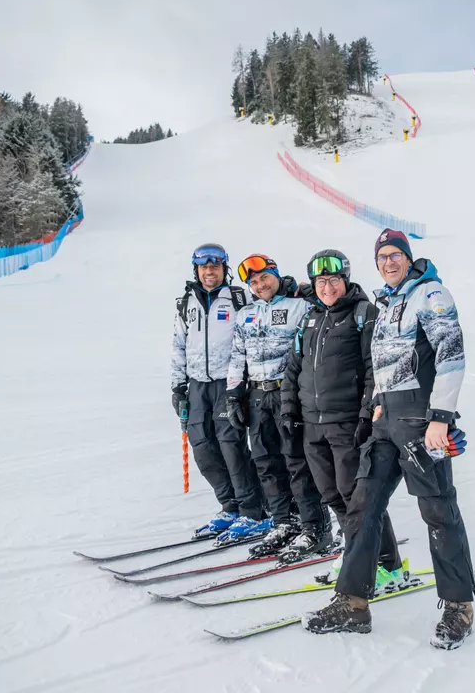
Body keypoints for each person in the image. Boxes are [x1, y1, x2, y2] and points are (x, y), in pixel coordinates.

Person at [302, 229, 475, 650]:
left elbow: (451, 355)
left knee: (438, 511)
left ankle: (458, 607)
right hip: (386, 422)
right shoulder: (387, 301)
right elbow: (385, 362)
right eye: (382, 257)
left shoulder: (430, 294)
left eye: (395, 255)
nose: (388, 262)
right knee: (362, 507)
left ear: (408, 257)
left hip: (420, 422)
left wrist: (441, 416)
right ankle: (353, 602)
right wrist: (379, 401)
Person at [281, 249, 406, 589]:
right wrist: (288, 411)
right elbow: (294, 368)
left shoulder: (363, 314)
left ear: (345, 280)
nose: (326, 287)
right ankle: (355, 550)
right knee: (332, 495)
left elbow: (374, 369)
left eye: (333, 280)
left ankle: (388, 564)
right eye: (320, 281)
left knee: (359, 498)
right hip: (312, 424)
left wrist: (367, 414)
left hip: (347, 423)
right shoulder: (310, 319)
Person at [226, 254, 332, 560]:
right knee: (266, 463)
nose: (260, 286)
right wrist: (233, 395)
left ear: (275, 274)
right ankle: (284, 522)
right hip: (257, 396)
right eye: (254, 282)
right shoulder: (245, 314)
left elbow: (324, 325)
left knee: (296, 461)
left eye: (264, 278)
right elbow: (237, 356)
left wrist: (313, 296)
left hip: (289, 394)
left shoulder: (298, 306)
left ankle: (316, 527)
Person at [171, 243, 267, 543]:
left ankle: (253, 512)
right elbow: (178, 345)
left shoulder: (239, 299)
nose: (209, 271)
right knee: (202, 447)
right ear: (197, 270)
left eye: (215, 266)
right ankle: (230, 507)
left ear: (224, 269)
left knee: (232, 447)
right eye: (203, 267)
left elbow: (265, 310)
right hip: (197, 384)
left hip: (230, 383)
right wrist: (177, 386)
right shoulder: (186, 303)